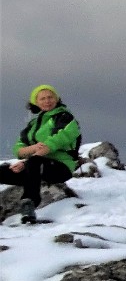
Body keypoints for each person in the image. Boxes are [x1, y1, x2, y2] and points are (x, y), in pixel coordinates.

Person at [3, 85, 81, 224]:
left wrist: (34, 156)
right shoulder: (34, 123)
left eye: (50, 97)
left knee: (34, 163)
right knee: (3, 170)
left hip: (60, 167)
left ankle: (29, 204)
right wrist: (29, 153)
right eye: (42, 98)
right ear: (36, 102)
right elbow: (19, 147)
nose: (47, 101)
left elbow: (63, 136)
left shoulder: (65, 117)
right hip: (36, 166)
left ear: (57, 99)